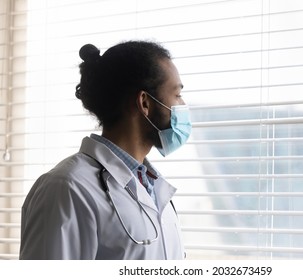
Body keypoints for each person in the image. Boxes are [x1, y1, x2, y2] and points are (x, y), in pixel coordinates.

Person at [19, 40, 191, 260]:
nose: (182, 104)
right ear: (144, 103)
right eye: (176, 95)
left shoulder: (152, 187)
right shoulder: (67, 188)